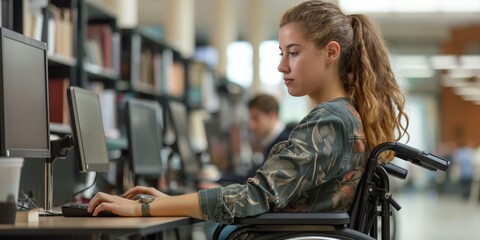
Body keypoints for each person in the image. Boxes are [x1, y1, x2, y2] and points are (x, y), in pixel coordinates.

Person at [87, 0, 409, 227]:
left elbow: (252, 197)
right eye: (282, 53)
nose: (282, 66)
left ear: (331, 52)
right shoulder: (346, 116)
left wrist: (148, 209)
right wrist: (164, 202)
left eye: (293, 53)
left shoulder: (330, 119)